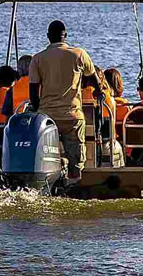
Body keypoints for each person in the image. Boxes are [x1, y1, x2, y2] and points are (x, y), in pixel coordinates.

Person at [26, 19, 103, 180]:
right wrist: (99, 92)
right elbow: (96, 81)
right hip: (73, 117)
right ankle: (75, 183)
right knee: (76, 160)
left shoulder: (38, 59)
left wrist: (39, 109)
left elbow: (33, 93)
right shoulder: (79, 54)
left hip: (47, 118)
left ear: (48, 36)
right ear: (65, 35)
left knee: (46, 157)